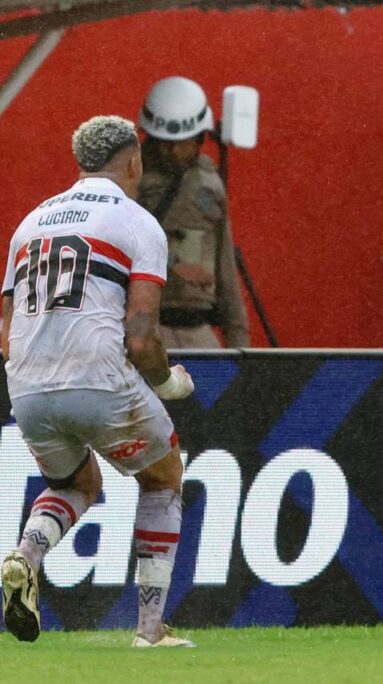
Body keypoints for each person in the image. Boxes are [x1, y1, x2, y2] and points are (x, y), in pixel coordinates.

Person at [1, 115, 196, 647]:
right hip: (99, 377)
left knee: (75, 484)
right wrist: (166, 384)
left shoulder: (30, 223)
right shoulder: (137, 223)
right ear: (133, 161)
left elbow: (5, 332)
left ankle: (25, 556)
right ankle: (151, 630)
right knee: (162, 476)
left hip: (27, 386)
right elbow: (140, 334)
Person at [137, 76, 250, 348]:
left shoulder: (208, 184)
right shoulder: (129, 179)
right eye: (165, 142)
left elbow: (225, 270)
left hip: (197, 328)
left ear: (200, 136)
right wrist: (175, 266)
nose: (174, 151)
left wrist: (241, 344)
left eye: (183, 142)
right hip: (143, 324)